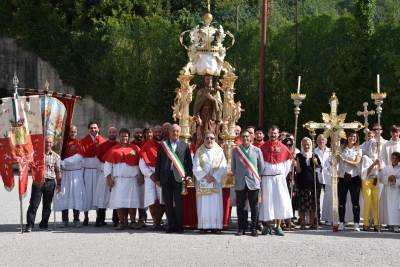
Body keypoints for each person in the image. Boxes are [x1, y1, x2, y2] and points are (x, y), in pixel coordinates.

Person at [155, 124, 193, 234]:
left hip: (179, 178)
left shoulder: (184, 145)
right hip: (166, 177)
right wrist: (158, 178)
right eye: (173, 131)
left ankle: (179, 226)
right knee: (168, 203)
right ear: (169, 132)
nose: (175, 133)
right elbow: (158, 163)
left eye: (177, 131)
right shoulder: (163, 145)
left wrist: (189, 174)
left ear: (180, 133)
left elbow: (189, 163)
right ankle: (171, 226)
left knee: (179, 203)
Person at [104, 128, 142, 230]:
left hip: (132, 180)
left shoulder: (136, 149)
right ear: (119, 137)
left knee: (132, 202)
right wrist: (109, 178)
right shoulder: (113, 150)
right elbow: (107, 166)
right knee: (119, 202)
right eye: (122, 136)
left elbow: (141, 164)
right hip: (118, 180)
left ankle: (133, 222)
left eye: (126, 136)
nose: (124, 138)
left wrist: (142, 177)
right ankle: (121, 222)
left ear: (129, 137)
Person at [259, 125, 293, 236]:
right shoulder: (262, 148)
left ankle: (278, 226)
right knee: (267, 202)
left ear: (278, 135)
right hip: (266, 179)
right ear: (268, 134)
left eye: (275, 133)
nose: (273, 135)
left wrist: (281, 176)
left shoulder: (283, 148)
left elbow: (287, 165)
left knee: (279, 202)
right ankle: (268, 226)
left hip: (279, 179)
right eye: (271, 133)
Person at [193, 130, 227, 234]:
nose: (209, 140)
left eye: (211, 138)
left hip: (215, 182)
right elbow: (195, 167)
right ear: (204, 139)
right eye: (207, 138)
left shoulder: (219, 151)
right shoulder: (199, 151)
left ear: (215, 139)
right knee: (203, 204)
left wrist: (214, 177)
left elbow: (223, 167)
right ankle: (203, 226)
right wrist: (205, 176)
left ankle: (216, 226)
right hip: (203, 182)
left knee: (215, 204)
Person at [25, 136, 61, 232]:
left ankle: (44, 224)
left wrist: (59, 183)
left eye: (50, 142)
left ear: (52, 143)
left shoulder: (56, 156)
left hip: (50, 182)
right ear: (43, 143)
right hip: (38, 181)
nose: (48, 144)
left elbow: (58, 170)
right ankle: (29, 225)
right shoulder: (37, 155)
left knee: (47, 206)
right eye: (46, 142)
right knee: (33, 204)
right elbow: (29, 164)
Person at [231, 129, 264, 236]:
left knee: (254, 206)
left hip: (253, 182)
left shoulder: (257, 150)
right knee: (240, 206)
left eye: (247, 136)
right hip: (240, 182)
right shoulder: (236, 151)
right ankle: (241, 227)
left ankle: (253, 228)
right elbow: (233, 167)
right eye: (243, 136)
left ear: (251, 137)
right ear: (240, 138)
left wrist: (255, 176)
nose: (245, 138)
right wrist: (239, 176)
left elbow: (261, 167)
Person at [55, 126, 85, 228]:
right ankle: (64, 220)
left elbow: (76, 158)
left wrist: (63, 162)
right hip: (65, 173)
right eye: (71, 131)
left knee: (76, 195)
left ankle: (76, 219)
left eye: (74, 132)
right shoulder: (63, 144)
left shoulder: (79, 144)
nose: (72, 133)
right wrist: (60, 163)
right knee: (64, 195)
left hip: (75, 173)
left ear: (76, 133)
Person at [333, 131, 362, 231]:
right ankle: (341, 222)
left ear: (357, 139)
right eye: (350, 136)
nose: (352, 138)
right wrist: (333, 160)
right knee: (341, 201)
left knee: (355, 202)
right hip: (342, 177)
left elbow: (356, 163)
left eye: (354, 137)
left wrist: (344, 160)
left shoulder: (358, 150)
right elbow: (336, 160)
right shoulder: (340, 148)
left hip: (354, 177)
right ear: (347, 137)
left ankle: (356, 223)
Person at [80, 122, 106, 226]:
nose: (93, 130)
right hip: (87, 170)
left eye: (95, 128)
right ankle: (86, 218)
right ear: (88, 129)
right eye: (91, 128)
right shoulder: (83, 141)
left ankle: (98, 218)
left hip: (98, 170)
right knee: (86, 194)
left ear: (98, 129)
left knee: (98, 192)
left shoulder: (103, 141)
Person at [139, 125, 165, 231]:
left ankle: (160, 220)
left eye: (160, 131)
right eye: (156, 131)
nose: (158, 133)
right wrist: (150, 174)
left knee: (163, 199)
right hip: (150, 176)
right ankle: (155, 222)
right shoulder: (147, 145)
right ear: (153, 133)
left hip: (163, 176)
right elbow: (142, 163)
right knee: (152, 199)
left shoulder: (166, 144)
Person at [293, 137, 321, 230]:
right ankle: (303, 224)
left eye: (308, 144)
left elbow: (319, 170)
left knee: (313, 205)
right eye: (304, 144)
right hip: (302, 184)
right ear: (302, 145)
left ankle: (312, 224)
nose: (306, 146)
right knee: (302, 206)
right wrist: (296, 165)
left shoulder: (315, 155)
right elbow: (298, 171)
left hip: (313, 184)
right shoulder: (298, 156)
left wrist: (316, 163)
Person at [93, 126, 118, 227]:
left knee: (116, 196)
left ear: (116, 134)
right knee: (102, 195)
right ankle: (100, 219)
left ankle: (116, 220)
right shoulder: (102, 146)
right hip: (104, 174)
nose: (112, 134)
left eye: (113, 132)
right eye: (110, 132)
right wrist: (103, 170)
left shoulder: (119, 146)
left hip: (115, 174)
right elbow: (97, 160)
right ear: (107, 134)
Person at [193, 74, 223, 149]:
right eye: (207, 79)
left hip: (212, 118)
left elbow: (220, 106)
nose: (209, 81)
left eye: (211, 79)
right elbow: (197, 107)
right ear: (204, 81)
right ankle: (200, 152)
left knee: (212, 134)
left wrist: (212, 99)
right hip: (203, 116)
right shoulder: (200, 92)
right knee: (200, 136)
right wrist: (198, 117)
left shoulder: (216, 92)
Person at [379, 125, 400, 228]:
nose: (395, 134)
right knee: (389, 201)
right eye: (393, 132)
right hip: (388, 173)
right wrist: (385, 173)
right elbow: (382, 160)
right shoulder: (386, 145)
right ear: (390, 133)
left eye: (397, 132)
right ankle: (389, 221)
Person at [360, 135, 380, 231]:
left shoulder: (377, 156)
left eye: (375, 145)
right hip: (367, 181)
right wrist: (374, 164)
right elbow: (365, 172)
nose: (375, 148)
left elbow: (380, 169)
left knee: (376, 203)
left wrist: (379, 167)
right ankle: (365, 223)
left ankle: (376, 223)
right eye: (373, 145)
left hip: (375, 181)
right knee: (368, 202)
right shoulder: (365, 157)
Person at [129, 127, 146, 227]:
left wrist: (142, 176)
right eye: (137, 133)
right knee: (133, 198)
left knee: (141, 198)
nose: (139, 134)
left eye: (140, 132)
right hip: (133, 176)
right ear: (133, 134)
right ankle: (131, 220)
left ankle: (141, 218)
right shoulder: (130, 145)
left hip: (142, 174)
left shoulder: (145, 144)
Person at [381, 152, 400, 232]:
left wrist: (396, 180)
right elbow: (382, 178)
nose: (394, 160)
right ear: (390, 159)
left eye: (396, 158)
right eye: (393, 158)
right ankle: (390, 223)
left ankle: (396, 224)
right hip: (388, 190)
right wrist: (388, 178)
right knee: (389, 206)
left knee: (396, 207)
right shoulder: (386, 168)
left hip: (397, 191)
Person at [314, 134, 331, 224]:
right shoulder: (314, 152)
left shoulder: (330, 151)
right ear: (317, 141)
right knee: (317, 197)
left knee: (329, 198)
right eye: (320, 140)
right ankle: (317, 217)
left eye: (323, 139)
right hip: (318, 176)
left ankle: (329, 217)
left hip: (328, 177)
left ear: (326, 141)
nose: (321, 141)